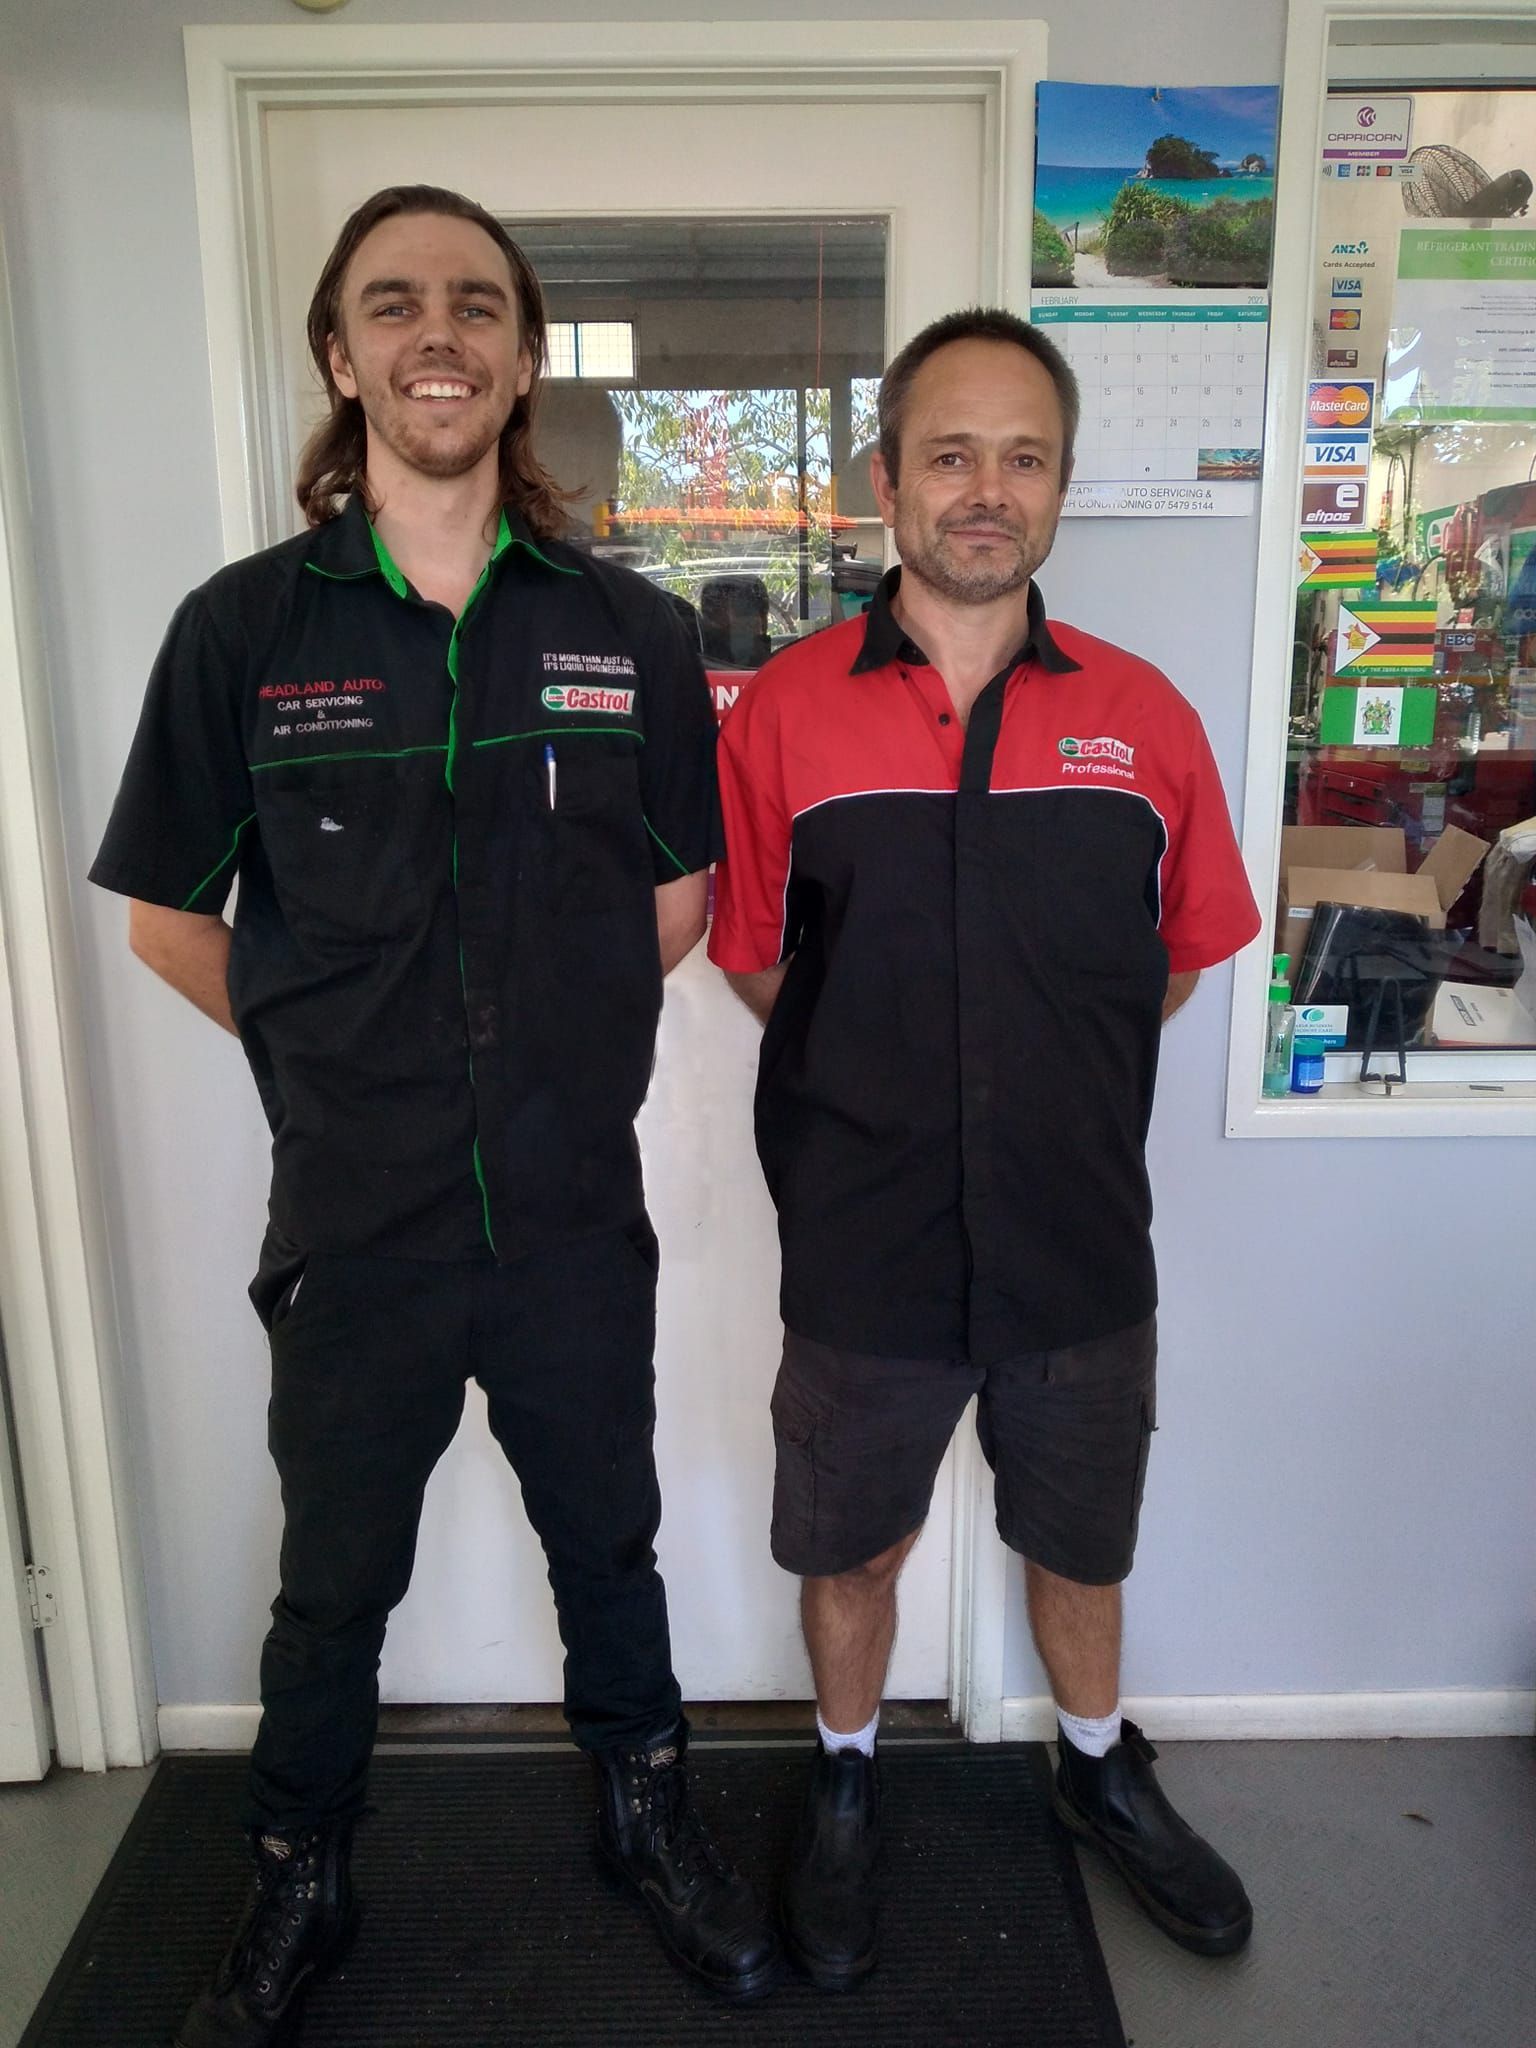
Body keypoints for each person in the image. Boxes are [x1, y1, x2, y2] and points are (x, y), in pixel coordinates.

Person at [91, 185, 780, 2046]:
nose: (438, 334)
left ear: (524, 357)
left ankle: (648, 1820)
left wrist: (541, 1055)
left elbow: (674, 902)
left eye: (477, 304)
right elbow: (172, 921)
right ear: (342, 356)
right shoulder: (244, 632)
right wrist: (339, 1063)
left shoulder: (627, 630)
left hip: (567, 1212)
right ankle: (298, 1876)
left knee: (608, 1542)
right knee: (332, 1587)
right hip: (358, 1223)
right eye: (393, 305)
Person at [709, 307, 1262, 1989]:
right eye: (950, 454)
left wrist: (1045, 1073)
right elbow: (753, 955)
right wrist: (883, 1078)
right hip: (865, 1241)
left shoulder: (1148, 722)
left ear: (1061, 486)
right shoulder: (783, 716)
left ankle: (1097, 1769)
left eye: (1025, 458)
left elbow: (1177, 955)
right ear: (887, 481)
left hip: (1077, 1240)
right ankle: (846, 1776)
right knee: (853, 1548)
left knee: (1079, 1546)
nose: (987, 489)